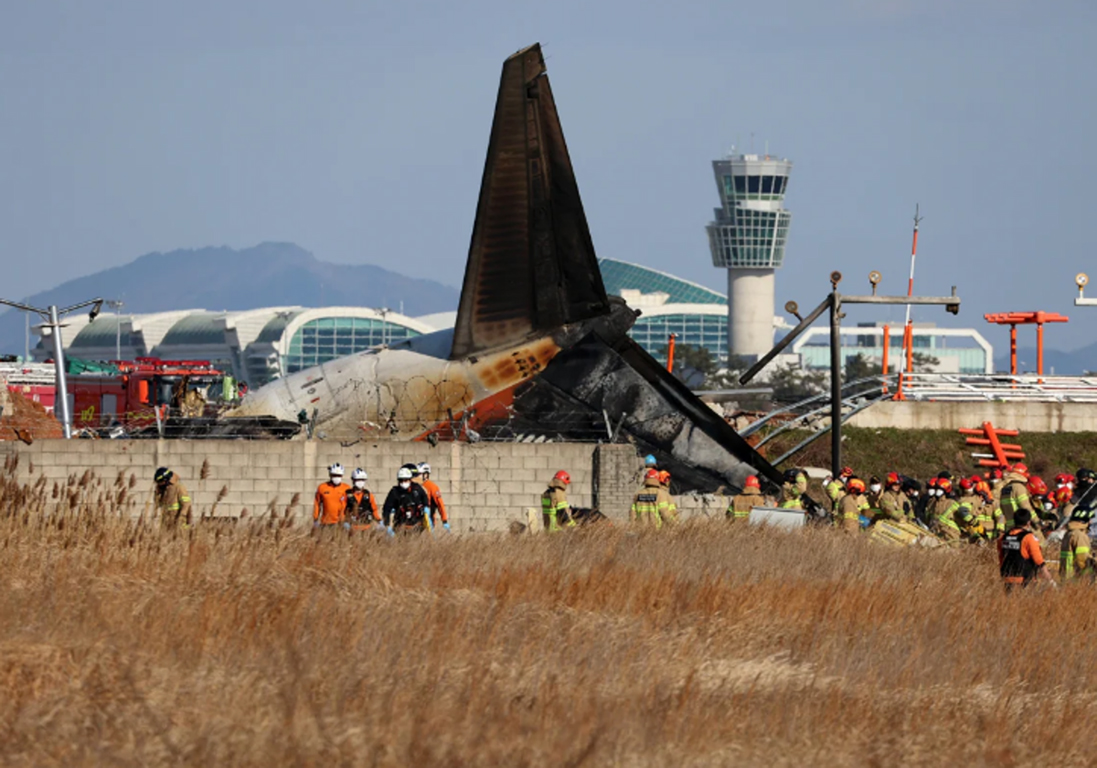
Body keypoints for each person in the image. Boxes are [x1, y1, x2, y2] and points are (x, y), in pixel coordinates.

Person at [998, 509, 1055, 590]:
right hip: (1024, 580)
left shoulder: (1003, 537)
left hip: (1007, 579)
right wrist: (1050, 580)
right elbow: (1038, 560)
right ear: (1028, 523)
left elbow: (1001, 557)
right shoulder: (1029, 538)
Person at [383, 466, 431, 534]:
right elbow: (387, 508)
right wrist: (386, 524)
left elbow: (425, 498)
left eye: (405, 480)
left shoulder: (417, 488)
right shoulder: (394, 492)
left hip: (417, 527)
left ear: (410, 480)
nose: (403, 483)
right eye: (401, 480)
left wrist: (426, 508)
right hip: (400, 528)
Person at [937, 477, 980, 543]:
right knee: (953, 546)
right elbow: (963, 511)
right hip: (950, 526)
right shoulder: (968, 501)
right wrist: (973, 522)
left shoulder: (960, 499)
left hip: (943, 523)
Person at [1060, 505, 1095, 581]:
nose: (1091, 522)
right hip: (1077, 580)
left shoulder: (1069, 534)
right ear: (1083, 520)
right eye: (1089, 519)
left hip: (1066, 578)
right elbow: (1083, 560)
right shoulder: (1079, 535)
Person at [1000, 463, 1034, 529]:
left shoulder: (1005, 488)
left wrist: (1001, 528)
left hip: (1009, 527)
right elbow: (1025, 506)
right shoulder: (1019, 487)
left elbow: (1001, 511)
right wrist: (1037, 521)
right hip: (1021, 525)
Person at [417, 462, 450, 531]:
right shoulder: (415, 486)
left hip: (429, 522)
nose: (417, 476)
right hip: (416, 521)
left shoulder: (432, 487)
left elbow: (440, 504)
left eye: (419, 474)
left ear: (425, 474)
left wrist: (444, 520)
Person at [313, 463, 348, 528]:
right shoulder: (322, 487)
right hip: (326, 523)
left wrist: (350, 520)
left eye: (339, 475)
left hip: (341, 523)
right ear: (330, 475)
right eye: (334, 475)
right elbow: (317, 504)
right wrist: (315, 519)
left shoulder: (347, 488)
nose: (336, 477)